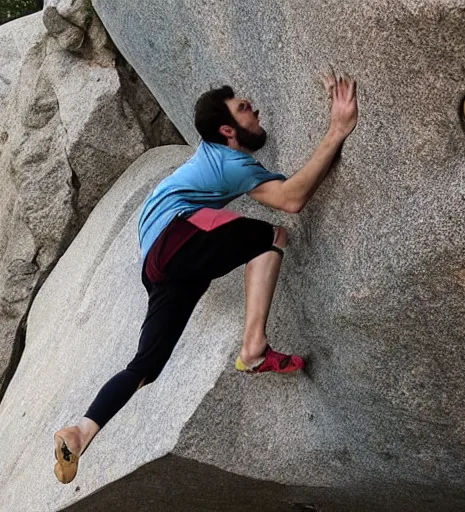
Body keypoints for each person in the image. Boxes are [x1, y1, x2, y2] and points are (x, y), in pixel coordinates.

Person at [53, 71, 358, 484]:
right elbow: (291, 198)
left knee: (146, 365)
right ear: (228, 129)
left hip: (157, 262)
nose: (257, 110)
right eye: (246, 109)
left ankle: (82, 430)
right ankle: (253, 349)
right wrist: (337, 128)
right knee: (271, 234)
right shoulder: (231, 163)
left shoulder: (214, 154)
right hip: (174, 237)